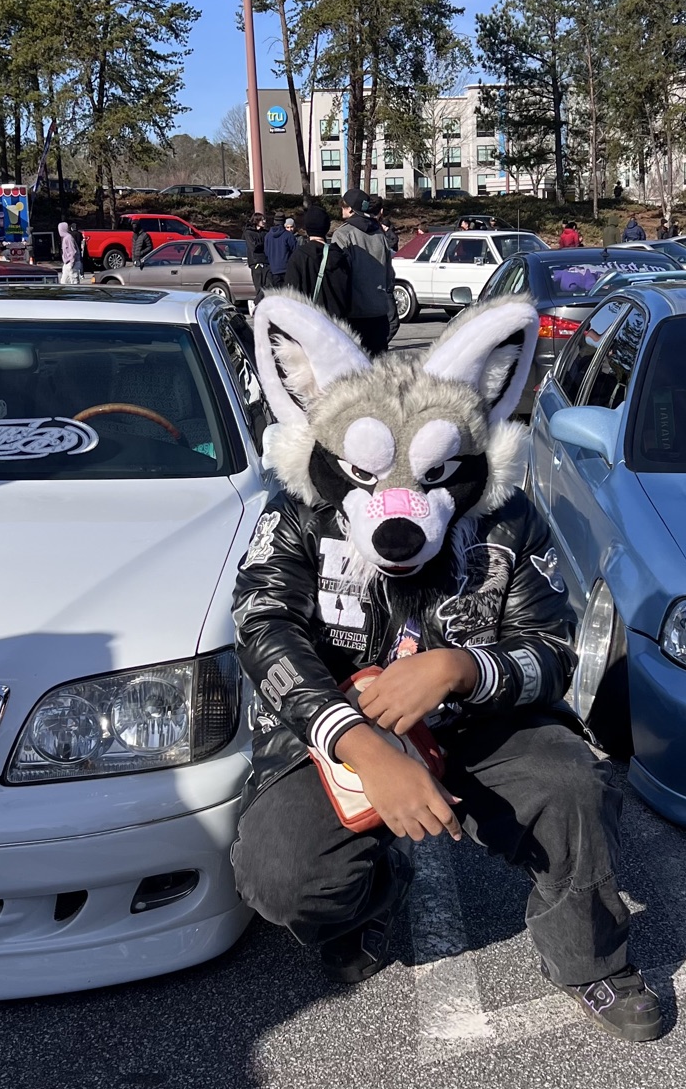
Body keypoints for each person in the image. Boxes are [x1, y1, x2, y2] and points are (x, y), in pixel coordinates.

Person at [231, 292, 662, 1042]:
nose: (400, 502)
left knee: (574, 788)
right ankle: (372, 892)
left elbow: (553, 649)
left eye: (432, 474)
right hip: (341, 721)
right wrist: (359, 746)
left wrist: (462, 668)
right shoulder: (298, 512)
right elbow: (262, 625)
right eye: (368, 474)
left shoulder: (507, 518)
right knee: (281, 875)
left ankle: (589, 958)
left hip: (477, 722)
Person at [329, 189, 396, 356]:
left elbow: (340, 277)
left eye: (343, 206)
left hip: (354, 313)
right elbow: (389, 275)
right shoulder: (379, 234)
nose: (341, 209)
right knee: (379, 364)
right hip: (379, 310)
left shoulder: (343, 234)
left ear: (351, 209)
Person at [284, 205, 352, 319]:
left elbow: (291, 294)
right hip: (336, 322)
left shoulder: (299, 256)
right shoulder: (339, 256)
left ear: (306, 228)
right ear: (327, 227)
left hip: (309, 321)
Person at [264, 216, 298, 290]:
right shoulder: (288, 235)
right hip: (286, 269)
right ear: (284, 222)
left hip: (273, 269)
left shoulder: (267, 236)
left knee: (277, 293)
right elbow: (296, 252)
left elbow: (266, 252)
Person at [244, 212, 270, 297]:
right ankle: (258, 302)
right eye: (262, 220)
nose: (264, 221)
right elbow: (253, 247)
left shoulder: (265, 232)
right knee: (259, 287)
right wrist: (263, 244)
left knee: (267, 286)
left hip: (266, 262)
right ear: (256, 220)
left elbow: (269, 245)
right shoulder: (248, 232)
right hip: (255, 262)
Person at [58, 220, 83, 286]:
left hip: (72, 263)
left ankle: (76, 292)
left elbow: (72, 251)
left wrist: (72, 263)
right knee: (63, 282)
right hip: (67, 263)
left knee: (74, 282)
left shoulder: (68, 238)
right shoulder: (65, 238)